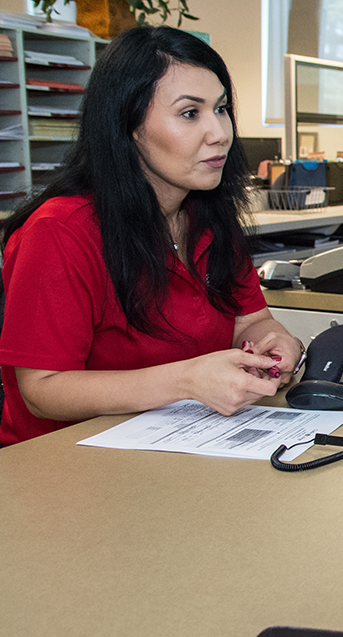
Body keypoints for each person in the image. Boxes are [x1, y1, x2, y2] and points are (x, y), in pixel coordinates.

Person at [0, 27, 302, 446]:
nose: (220, 133)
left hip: (179, 442)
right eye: (190, 113)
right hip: (63, 464)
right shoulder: (59, 232)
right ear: (128, 125)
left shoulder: (207, 213)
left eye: (222, 108)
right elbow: (42, 390)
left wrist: (276, 343)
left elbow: (249, 319)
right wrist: (186, 380)